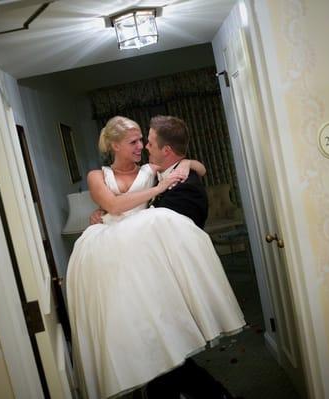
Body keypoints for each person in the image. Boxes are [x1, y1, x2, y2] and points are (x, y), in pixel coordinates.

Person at [66, 116, 245, 399]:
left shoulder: (151, 169)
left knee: (156, 325)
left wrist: (187, 164)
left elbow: (198, 167)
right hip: (111, 255)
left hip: (144, 256)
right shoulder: (96, 176)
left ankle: (184, 388)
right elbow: (111, 204)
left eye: (142, 141)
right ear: (114, 145)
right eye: (133, 142)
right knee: (131, 327)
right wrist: (159, 188)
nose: (140, 147)